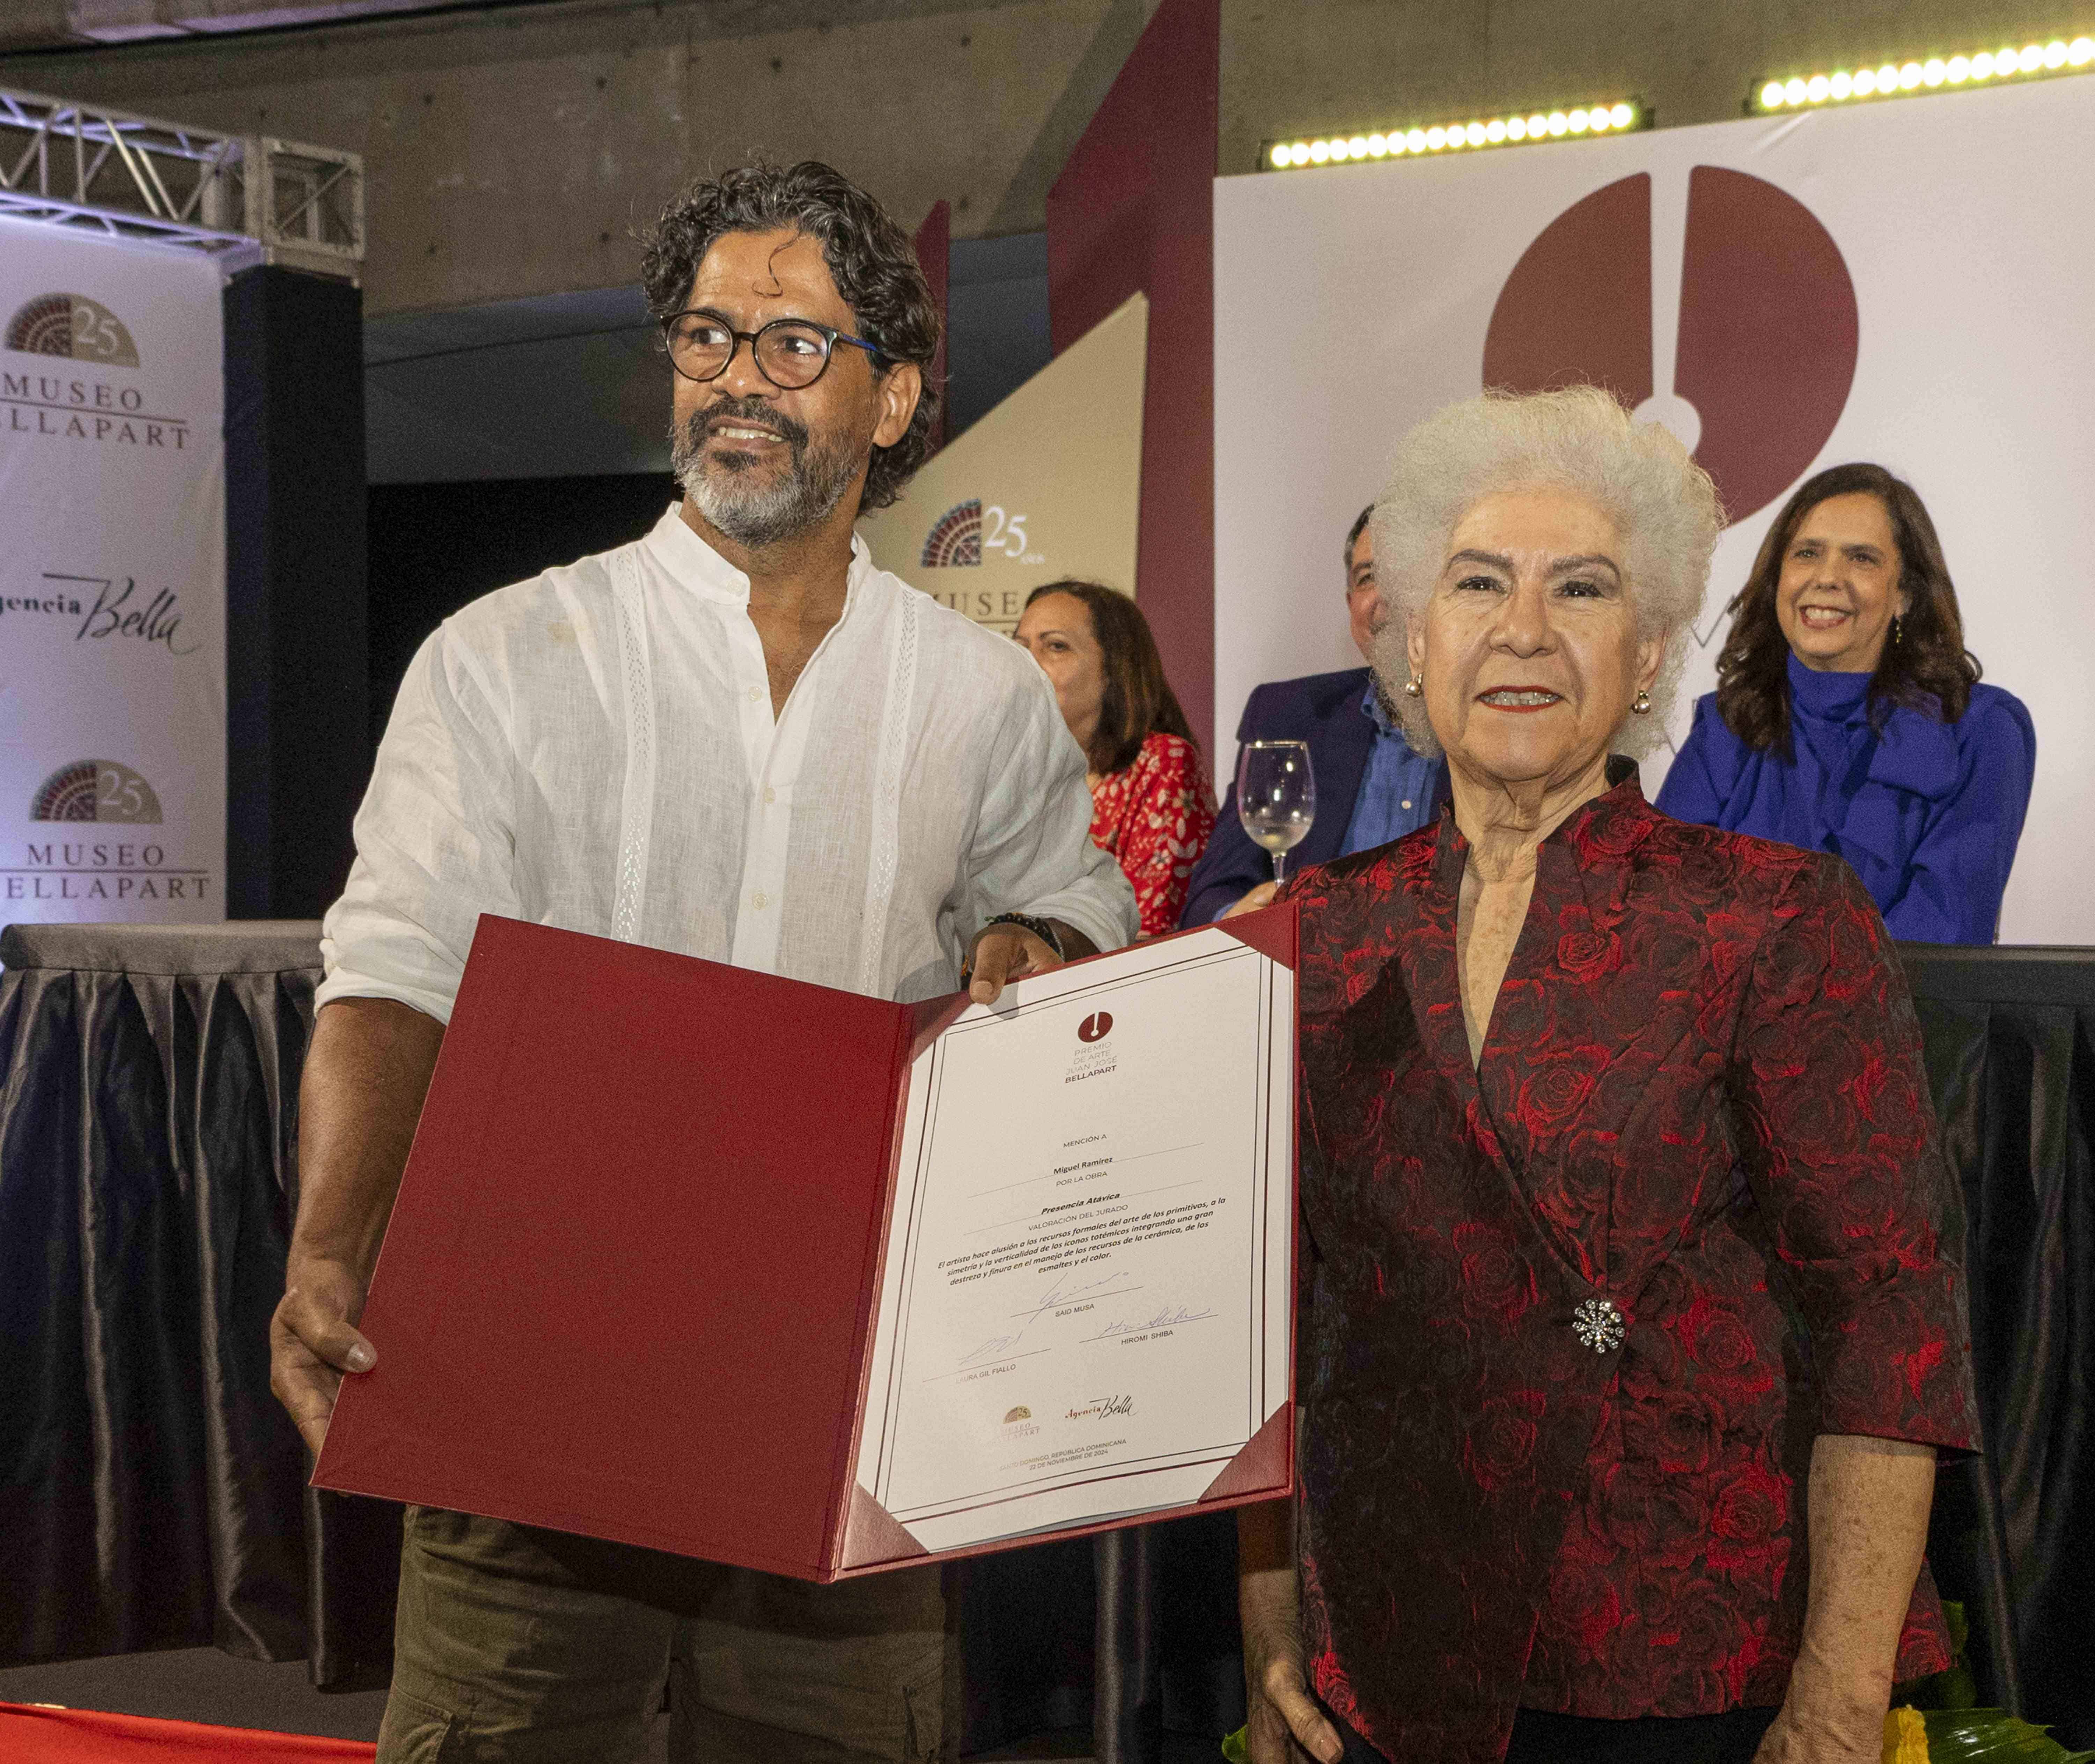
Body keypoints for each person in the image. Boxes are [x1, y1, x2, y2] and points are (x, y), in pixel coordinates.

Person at [269, 161, 1137, 1764]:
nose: (738, 375)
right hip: (520, 1408)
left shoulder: (982, 696)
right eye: (706, 335)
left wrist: (1045, 945)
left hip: (840, 1421)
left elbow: (1079, 926)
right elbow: (392, 972)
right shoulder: (501, 656)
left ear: (895, 400)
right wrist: (331, 1245)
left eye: (794, 342)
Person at [1240, 389, 1976, 1764]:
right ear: (1415, 635)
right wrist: (1275, 1628)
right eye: (1478, 584)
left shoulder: (1772, 917)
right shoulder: (1316, 931)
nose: (1521, 629)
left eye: (1579, 589)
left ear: (1645, 654)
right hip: (1387, 1664)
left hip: (1684, 1668)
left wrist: (1837, 1700)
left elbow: (1890, 1326)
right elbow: (1266, 1319)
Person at [1656, 463, 2034, 944]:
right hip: (1726, 1018)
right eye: (1807, 553)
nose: (1827, 578)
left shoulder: (1982, 731)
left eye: (1862, 559)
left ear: (1905, 597)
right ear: (1779, 580)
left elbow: (1943, 937)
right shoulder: (1727, 725)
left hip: (1900, 1018)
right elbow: (1664, 923)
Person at [1179, 505, 1444, 927]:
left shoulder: (1501, 721)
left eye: (1408, 575)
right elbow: (1211, 894)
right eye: (1369, 577)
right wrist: (1240, 917)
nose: (1386, 597)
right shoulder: (1288, 714)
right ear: (1350, 604)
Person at [1013, 578, 1216, 935]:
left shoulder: (1161, 763)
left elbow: (1147, 932)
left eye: (1056, 647)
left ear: (1113, 671)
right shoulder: (1013, 774)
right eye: (1020, 647)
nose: (1028, 663)